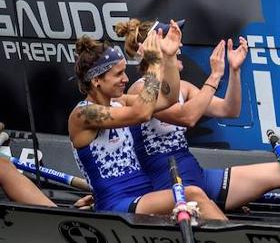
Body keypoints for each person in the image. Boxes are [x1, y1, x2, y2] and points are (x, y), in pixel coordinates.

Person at [117, 19, 280, 222]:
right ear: (154, 48)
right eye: (170, 39)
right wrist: (214, 76)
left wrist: (234, 71)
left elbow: (229, 109)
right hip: (169, 182)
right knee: (212, 211)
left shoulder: (184, 87)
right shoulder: (141, 90)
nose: (179, 45)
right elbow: (187, 117)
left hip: (196, 173)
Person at [68, 22, 226, 219]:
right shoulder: (83, 114)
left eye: (124, 72)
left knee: (198, 199)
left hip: (144, 194)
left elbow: (168, 98)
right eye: (118, 74)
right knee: (193, 194)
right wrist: (153, 65)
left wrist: (169, 58)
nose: (126, 79)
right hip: (117, 204)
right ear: (96, 80)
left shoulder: (121, 102)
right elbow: (141, 113)